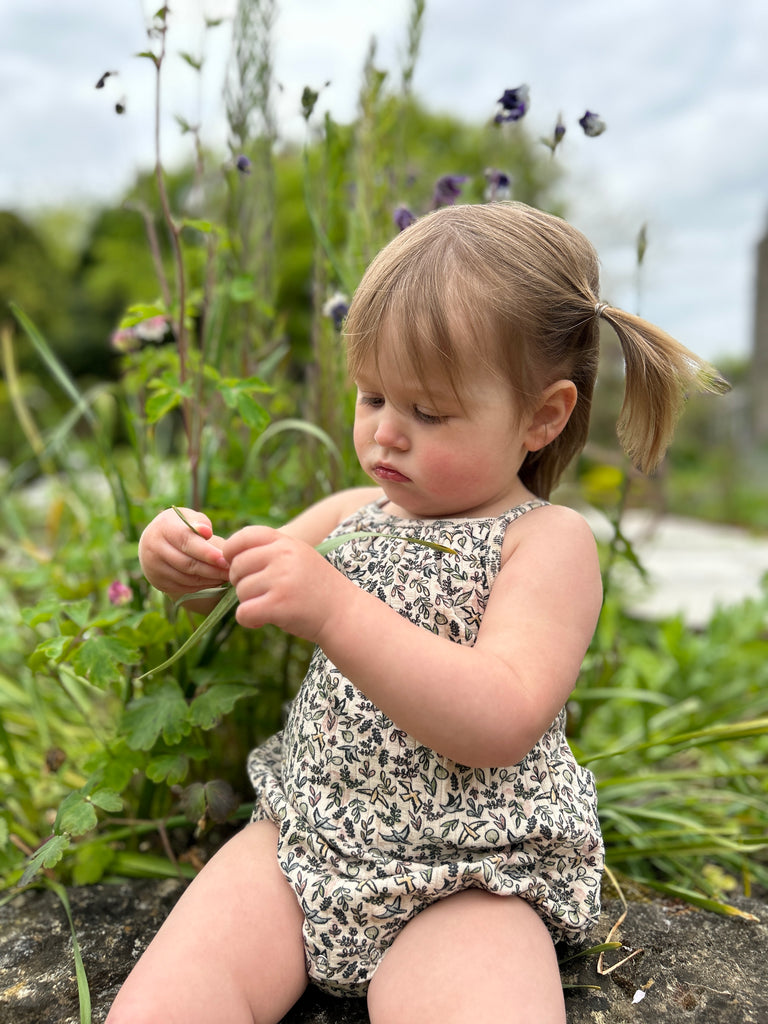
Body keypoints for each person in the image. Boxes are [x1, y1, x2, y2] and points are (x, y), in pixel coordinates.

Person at [107, 201, 727, 1024]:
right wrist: (180, 562)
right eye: (371, 398)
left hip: (471, 868)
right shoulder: (350, 512)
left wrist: (335, 610)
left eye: (428, 413)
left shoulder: (545, 543)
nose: (386, 436)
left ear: (543, 416)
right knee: (169, 1003)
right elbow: (225, 592)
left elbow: (502, 715)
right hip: (304, 836)